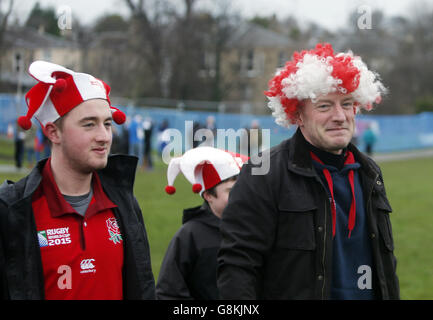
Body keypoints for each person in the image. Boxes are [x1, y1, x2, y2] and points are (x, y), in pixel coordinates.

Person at [217, 43, 399, 300]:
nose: (339, 116)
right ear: (298, 115)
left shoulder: (370, 173)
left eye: (347, 104)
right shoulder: (263, 173)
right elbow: (238, 268)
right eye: (324, 106)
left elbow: (385, 266)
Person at [0, 61, 155, 300]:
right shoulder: (13, 211)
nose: (104, 136)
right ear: (53, 132)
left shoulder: (124, 203)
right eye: (89, 124)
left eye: (107, 124)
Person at [156, 147, 248, 300]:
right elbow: (168, 291)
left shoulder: (254, 228)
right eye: (231, 191)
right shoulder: (189, 236)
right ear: (208, 195)